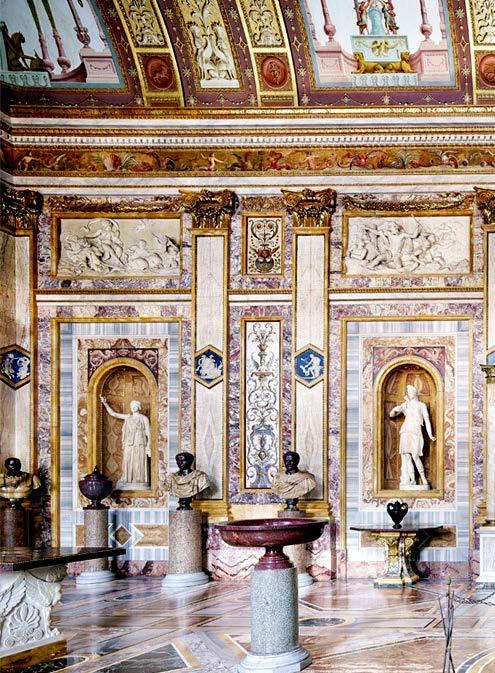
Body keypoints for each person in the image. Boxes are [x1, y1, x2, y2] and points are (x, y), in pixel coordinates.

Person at [389, 385, 435, 488]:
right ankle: (412, 479)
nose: (409, 393)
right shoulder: (406, 405)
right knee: (407, 456)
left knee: (415, 455)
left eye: (410, 391)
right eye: (408, 391)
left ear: (414, 393)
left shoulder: (421, 405)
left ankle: (423, 478)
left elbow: (427, 420)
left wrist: (430, 434)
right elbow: (391, 415)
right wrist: (395, 409)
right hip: (405, 431)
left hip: (415, 431)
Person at [100, 396, 150, 485]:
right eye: (132, 406)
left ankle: (139, 480)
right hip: (129, 442)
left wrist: (149, 444)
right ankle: (127, 479)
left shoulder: (144, 418)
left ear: (139, 407)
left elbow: (148, 432)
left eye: (135, 405)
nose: (133, 407)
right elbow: (114, 414)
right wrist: (105, 403)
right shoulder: (128, 417)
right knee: (128, 459)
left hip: (140, 442)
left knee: (139, 460)